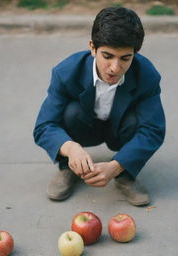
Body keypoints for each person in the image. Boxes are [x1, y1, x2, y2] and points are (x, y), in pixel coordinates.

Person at [33, 7, 166, 206]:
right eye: (107, 56)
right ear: (92, 48)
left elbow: (154, 130)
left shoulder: (147, 75)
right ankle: (68, 168)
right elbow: (44, 126)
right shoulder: (66, 72)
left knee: (137, 121)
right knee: (70, 112)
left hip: (121, 129)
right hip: (83, 125)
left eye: (125, 58)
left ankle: (125, 174)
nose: (115, 68)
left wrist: (116, 166)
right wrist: (70, 148)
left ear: (135, 54)